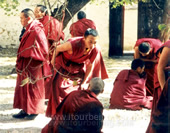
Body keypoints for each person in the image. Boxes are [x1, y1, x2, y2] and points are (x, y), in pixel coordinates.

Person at [46, 28, 108, 117]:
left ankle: (72, 117)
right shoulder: (72, 45)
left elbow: (90, 65)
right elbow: (57, 49)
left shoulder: (95, 49)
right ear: (84, 38)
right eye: (90, 42)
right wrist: (52, 63)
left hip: (77, 69)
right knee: (59, 90)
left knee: (76, 92)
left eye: (95, 42)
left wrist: (84, 82)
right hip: (63, 66)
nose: (93, 45)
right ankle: (59, 117)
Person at [12, 8, 50, 120]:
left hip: (34, 64)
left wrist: (32, 55)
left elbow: (44, 49)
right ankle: (25, 109)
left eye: (21, 18)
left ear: (28, 18)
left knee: (34, 87)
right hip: (26, 63)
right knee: (24, 87)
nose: (20, 20)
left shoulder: (37, 30)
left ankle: (34, 111)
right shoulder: (29, 28)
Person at [34, 5, 65, 99]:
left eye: (36, 12)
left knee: (48, 73)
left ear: (43, 13)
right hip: (43, 51)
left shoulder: (51, 21)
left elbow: (56, 37)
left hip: (49, 51)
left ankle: (48, 95)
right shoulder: (38, 22)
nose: (35, 14)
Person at [146, 40, 170, 133]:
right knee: (162, 113)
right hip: (164, 83)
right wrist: (165, 90)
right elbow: (160, 68)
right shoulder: (168, 47)